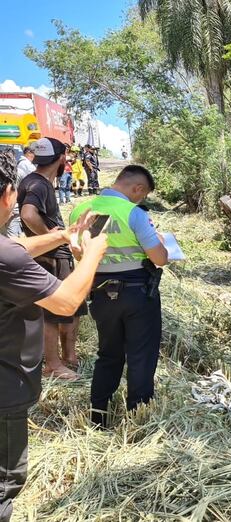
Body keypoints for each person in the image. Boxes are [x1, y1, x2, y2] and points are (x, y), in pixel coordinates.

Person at [0, 148, 107, 522]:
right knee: (4, 484)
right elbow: (65, 302)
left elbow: (17, 247)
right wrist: (92, 252)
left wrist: (64, 234)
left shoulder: (6, 251)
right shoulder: (6, 258)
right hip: (5, 391)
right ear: (8, 195)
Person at [69, 165, 168, 427]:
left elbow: (79, 254)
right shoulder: (133, 213)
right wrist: (163, 246)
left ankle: (98, 417)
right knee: (141, 356)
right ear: (137, 188)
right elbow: (159, 258)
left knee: (108, 355)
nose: (141, 199)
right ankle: (138, 419)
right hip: (138, 293)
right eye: (143, 194)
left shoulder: (80, 211)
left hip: (100, 294)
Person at [18, 138, 86, 380]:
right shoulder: (39, 185)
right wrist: (50, 237)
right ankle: (54, 365)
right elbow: (27, 214)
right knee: (54, 311)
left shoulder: (35, 180)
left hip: (50, 254)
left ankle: (68, 358)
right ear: (59, 159)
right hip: (52, 257)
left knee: (70, 308)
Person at [0, 147, 35, 238]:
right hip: (12, 209)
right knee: (11, 238)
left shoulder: (17, 172)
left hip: (13, 210)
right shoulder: (19, 172)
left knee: (9, 237)